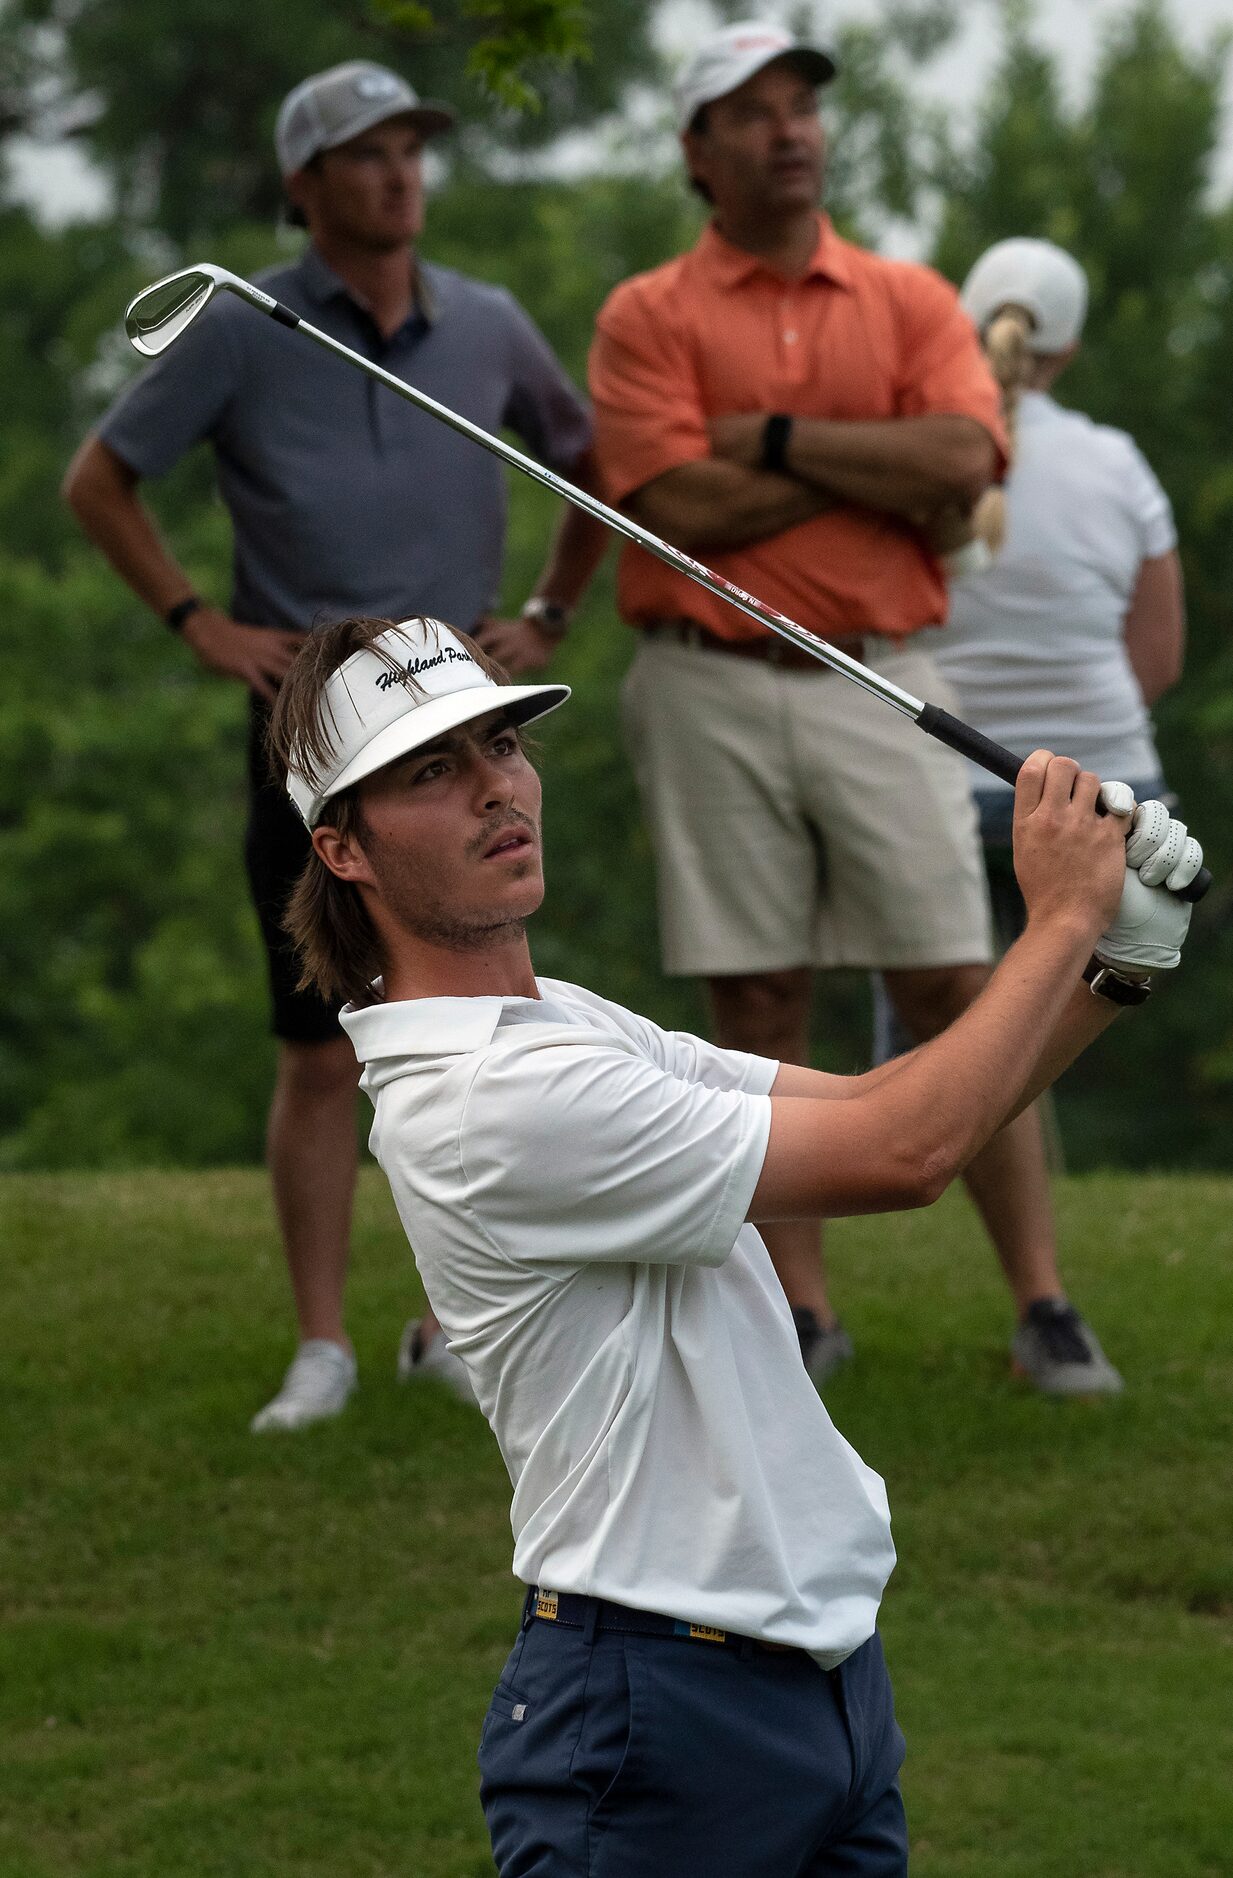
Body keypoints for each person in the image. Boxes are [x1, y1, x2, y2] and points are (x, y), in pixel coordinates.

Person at [267, 608, 1198, 1876]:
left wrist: (1112, 965)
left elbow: (884, 1107)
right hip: (652, 1717)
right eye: (434, 771)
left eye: (501, 746)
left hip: (818, 1680)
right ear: (345, 849)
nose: (497, 789)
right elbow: (907, 1158)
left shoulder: (562, 1026)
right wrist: (1056, 924)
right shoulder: (487, 1100)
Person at [553, 19, 1120, 1395]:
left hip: (885, 676)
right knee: (757, 997)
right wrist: (873, 467)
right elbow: (671, 503)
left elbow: (966, 451)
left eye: (801, 104)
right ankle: (801, 1310)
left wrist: (780, 442)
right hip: (706, 680)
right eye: (752, 112)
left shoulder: (910, 296)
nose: (789, 128)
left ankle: (1041, 1300)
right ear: (698, 149)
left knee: (948, 980)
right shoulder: (646, 311)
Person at [62, 59, 607, 1432]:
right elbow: (99, 480)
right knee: (320, 1047)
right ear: (304, 186)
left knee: (481, 1026)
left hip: (456, 721)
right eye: (365, 154)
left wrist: (546, 611)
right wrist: (197, 620)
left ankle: (452, 1323)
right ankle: (324, 1344)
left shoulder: (484, 321)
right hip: (309, 728)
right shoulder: (242, 325)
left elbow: (587, 459)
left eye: (411, 148)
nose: (399, 173)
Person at [935, 236, 1186, 943]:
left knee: (933, 1046)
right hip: (1108, 791)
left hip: (943, 794)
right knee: (1072, 1031)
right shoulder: (1118, 463)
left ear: (964, 324)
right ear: (1067, 349)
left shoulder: (915, 452)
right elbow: (1158, 659)